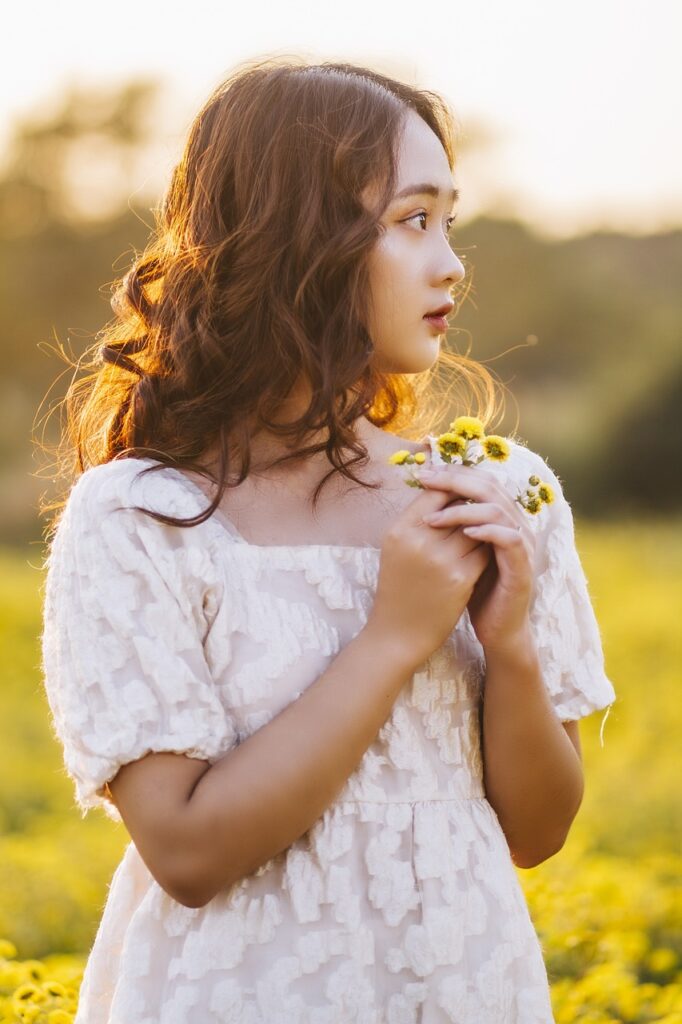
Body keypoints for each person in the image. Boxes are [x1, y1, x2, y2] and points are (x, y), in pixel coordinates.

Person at [40, 57, 616, 1023]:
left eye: (449, 221)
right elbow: (186, 853)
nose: (450, 263)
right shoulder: (141, 515)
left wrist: (507, 642)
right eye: (411, 221)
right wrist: (394, 638)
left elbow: (539, 830)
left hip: (465, 989)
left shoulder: (493, 489)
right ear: (295, 243)